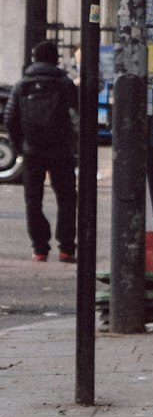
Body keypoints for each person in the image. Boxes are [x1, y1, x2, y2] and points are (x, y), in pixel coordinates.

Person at [4, 40, 79, 263]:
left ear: (35, 58)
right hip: (61, 151)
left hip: (32, 151)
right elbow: (77, 117)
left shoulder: (22, 85)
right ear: (55, 59)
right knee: (66, 199)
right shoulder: (65, 83)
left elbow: (10, 120)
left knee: (33, 200)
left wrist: (21, 146)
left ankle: (40, 248)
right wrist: (72, 145)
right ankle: (66, 248)